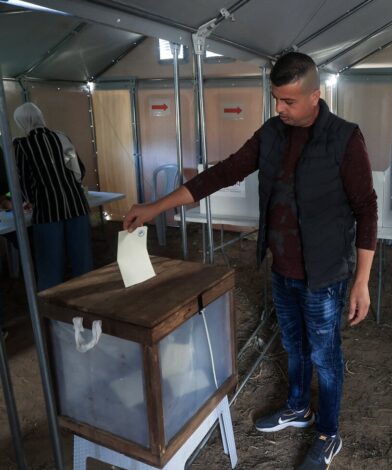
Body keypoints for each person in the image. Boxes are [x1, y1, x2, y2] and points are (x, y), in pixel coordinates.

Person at [123, 52, 377, 470]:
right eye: (275, 98)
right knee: (293, 345)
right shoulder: (272, 134)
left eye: (289, 101)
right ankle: (298, 407)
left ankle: (328, 432)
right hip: (283, 268)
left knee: (325, 357)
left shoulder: (344, 138)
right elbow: (222, 173)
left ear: (316, 96)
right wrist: (155, 207)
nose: (279, 108)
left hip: (325, 274)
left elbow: (366, 209)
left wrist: (362, 280)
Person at [12, 102, 92, 292]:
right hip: (76, 205)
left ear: (21, 122)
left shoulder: (22, 145)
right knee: (82, 261)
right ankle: (88, 298)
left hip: (48, 211)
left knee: (50, 265)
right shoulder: (62, 137)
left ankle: (52, 305)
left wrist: (29, 200)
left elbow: (23, 181)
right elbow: (79, 170)